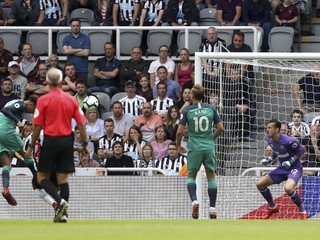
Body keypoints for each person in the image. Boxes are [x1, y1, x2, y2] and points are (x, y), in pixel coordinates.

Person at [25, 68, 88, 223]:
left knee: (41, 177)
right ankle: (63, 215)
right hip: (67, 140)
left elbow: (37, 127)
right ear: (61, 82)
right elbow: (81, 124)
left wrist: (31, 147)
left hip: (51, 140)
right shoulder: (71, 99)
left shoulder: (43, 100)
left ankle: (59, 204)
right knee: (63, 180)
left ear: (46, 82)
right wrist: (85, 143)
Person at [176, 84, 224, 219]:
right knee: (211, 177)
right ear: (203, 96)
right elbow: (220, 127)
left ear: (192, 96)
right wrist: (211, 139)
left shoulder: (187, 111)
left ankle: (195, 201)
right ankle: (212, 208)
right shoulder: (211, 109)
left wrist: (178, 144)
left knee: (191, 176)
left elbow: (179, 131)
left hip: (194, 147)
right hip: (208, 147)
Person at [257, 119, 308, 220]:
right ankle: (273, 207)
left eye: (269, 127)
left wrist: (291, 161)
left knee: (288, 188)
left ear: (276, 129)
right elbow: (276, 151)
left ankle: (303, 212)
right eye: (267, 127)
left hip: (294, 168)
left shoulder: (289, 141)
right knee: (260, 184)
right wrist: (270, 159)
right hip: (282, 168)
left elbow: (301, 150)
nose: (267, 129)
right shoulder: (270, 140)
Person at [0, 95, 38, 206]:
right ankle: (37, 179)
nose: (32, 112)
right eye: (33, 109)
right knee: (26, 155)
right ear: (30, 104)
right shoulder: (21, 104)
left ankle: (6, 189)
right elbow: (5, 110)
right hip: (5, 130)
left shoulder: (16, 102)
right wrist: (18, 122)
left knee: (7, 164)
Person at [223, 68, 256, 141]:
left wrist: (246, 106)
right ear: (230, 75)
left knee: (252, 111)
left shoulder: (245, 84)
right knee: (233, 111)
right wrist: (237, 106)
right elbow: (225, 100)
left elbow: (250, 97)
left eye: (236, 74)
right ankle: (234, 134)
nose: (235, 76)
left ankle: (246, 134)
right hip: (231, 106)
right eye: (233, 74)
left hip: (244, 106)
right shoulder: (226, 85)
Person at [63, 18, 91, 82]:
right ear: (71, 27)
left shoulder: (86, 38)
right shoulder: (66, 38)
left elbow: (86, 53)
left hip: (82, 70)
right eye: (73, 26)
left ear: (80, 26)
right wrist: (80, 49)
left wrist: (71, 50)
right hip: (70, 71)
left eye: (77, 26)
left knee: (82, 90)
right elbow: (66, 51)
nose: (75, 28)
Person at [199, 27, 226, 92]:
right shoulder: (204, 43)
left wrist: (217, 72)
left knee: (223, 83)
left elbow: (223, 59)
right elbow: (203, 60)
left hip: (219, 72)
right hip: (206, 72)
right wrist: (209, 72)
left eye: (213, 34)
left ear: (216, 35)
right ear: (207, 35)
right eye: (209, 34)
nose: (211, 35)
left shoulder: (222, 43)